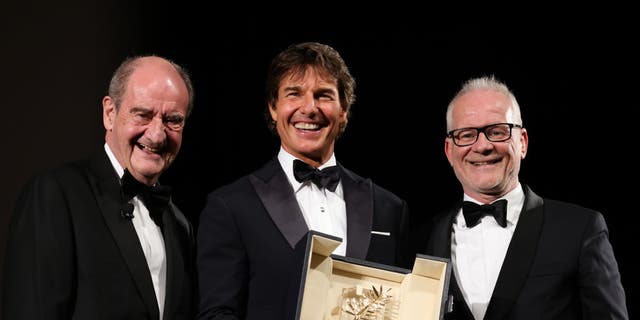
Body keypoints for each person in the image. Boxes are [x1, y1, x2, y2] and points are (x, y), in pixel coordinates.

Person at [196, 41, 410, 319]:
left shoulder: (389, 208)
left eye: (324, 95)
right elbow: (218, 313)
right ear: (273, 107)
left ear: (344, 109)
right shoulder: (230, 206)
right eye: (294, 94)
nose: (309, 108)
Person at [2, 55, 197, 319]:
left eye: (173, 120)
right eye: (143, 115)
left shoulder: (180, 225)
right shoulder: (56, 195)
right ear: (109, 113)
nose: (157, 134)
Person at [422, 75, 628, 319]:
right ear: (449, 150)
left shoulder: (580, 230)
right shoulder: (421, 240)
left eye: (497, 131)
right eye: (466, 135)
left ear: (523, 142)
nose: (483, 146)